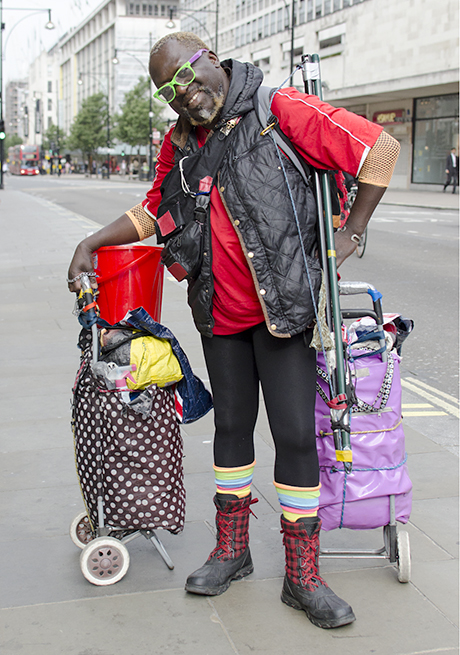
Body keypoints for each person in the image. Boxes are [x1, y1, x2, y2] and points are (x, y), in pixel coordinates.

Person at [67, 32, 400, 629]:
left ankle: (303, 575)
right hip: (218, 312)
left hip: (284, 313)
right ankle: (233, 551)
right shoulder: (180, 144)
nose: (187, 96)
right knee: (230, 430)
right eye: (170, 92)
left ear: (213, 59)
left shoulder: (280, 111)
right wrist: (91, 241)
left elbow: (379, 149)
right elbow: (154, 210)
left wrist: (352, 230)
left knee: (296, 436)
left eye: (190, 77)